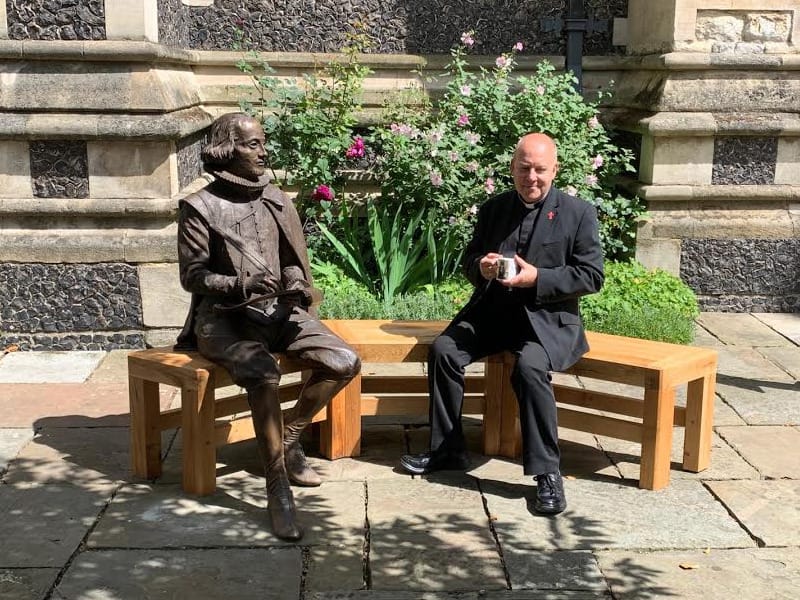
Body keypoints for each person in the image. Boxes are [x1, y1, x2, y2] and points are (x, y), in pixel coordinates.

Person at [176, 112, 361, 540]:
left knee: (344, 361)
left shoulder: (276, 198)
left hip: (279, 313)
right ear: (226, 150)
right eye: (252, 144)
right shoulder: (200, 207)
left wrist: (295, 284)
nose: (263, 152)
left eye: (262, 142)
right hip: (225, 320)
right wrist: (239, 282)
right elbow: (192, 276)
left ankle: (290, 437)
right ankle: (277, 485)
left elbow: (295, 262)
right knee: (263, 374)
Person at [400, 132, 604, 515]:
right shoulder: (494, 209)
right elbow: (471, 258)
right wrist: (481, 266)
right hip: (493, 315)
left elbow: (591, 276)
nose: (532, 178)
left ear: (554, 170)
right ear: (512, 169)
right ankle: (447, 450)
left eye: (540, 170)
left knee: (528, 369)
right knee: (444, 350)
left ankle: (547, 474)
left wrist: (537, 278)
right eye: (524, 169)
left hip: (545, 323)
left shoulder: (579, 213)